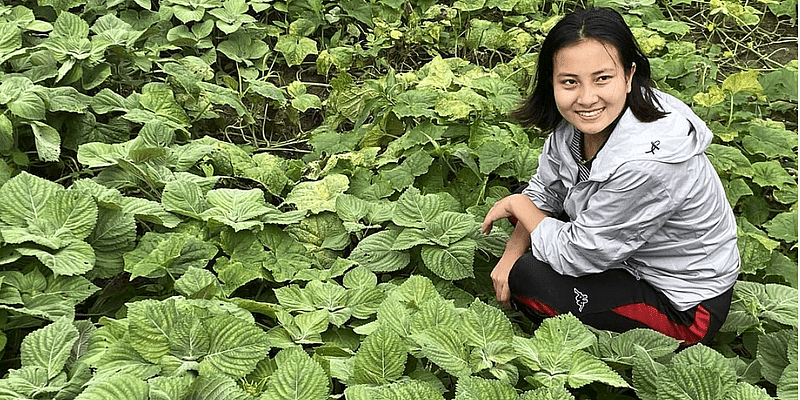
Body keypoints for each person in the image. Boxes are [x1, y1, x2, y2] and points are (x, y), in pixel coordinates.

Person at [481, 7, 739, 346]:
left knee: (528, 280)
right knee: (528, 212)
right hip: (624, 252)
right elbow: (545, 190)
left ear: (629, 76)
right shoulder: (580, 123)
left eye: (602, 78)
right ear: (552, 81)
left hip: (683, 304)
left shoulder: (649, 163)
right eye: (570, 82)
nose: (587, 99)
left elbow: (578, 255)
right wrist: (513, 248)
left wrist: (519, 210)